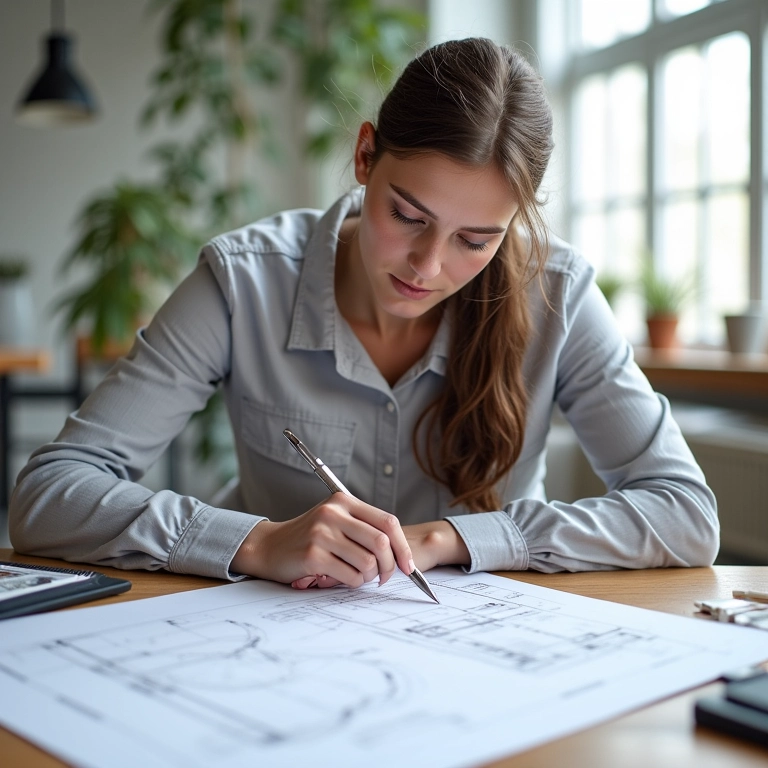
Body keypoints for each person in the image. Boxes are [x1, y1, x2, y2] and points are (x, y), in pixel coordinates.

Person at [9, 38, 719, 589]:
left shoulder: (556, 293)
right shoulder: (242, 282)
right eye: (406, 215)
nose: (427, 266)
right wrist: (255, 543)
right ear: (364, 155)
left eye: (477, 239)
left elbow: (686, 514)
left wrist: (452, 538)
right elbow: (48, 496)